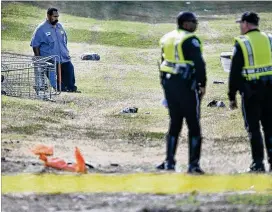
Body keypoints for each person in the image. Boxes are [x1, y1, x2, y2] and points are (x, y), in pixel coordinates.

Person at [157, 11, 207, 174]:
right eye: (194, 22)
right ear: (186, 23)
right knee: (193, 124)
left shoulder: (167, 37)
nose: (196, 24)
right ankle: (193, 164)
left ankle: (169, 161)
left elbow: (163, 61)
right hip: (187, 85)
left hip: (169, 84)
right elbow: (199, 64)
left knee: (174, 122)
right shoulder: (190, 39)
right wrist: (202, 84)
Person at [228, 12, 272, 173]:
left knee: (254, 129)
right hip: (270, 90)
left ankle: (258, 164)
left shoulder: (242, 42)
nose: (240, 26)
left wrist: (232, 95)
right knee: (270, 128)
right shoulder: (269, 39)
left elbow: (234, 72)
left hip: (251, 92)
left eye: (241, 23)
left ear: (246, 24)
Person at [30, 7, 79, 92]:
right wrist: (39, 60)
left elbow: (64, 41)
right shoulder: (41, 29)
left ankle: (71, 88)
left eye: (57, 16)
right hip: (50, 59)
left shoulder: (59, 27)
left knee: (69, 69)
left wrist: (65, 52)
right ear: (48, 15)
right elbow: (35, 45)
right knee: (56, 82)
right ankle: (61, 89)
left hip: (63, 57)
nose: (56, 19)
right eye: (54, 16)